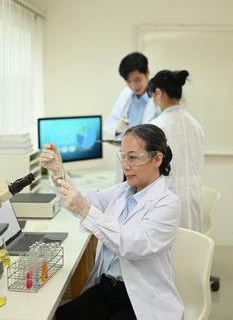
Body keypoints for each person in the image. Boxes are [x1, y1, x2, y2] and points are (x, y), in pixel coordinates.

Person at [40, 124, 184, 320]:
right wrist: (59, 173)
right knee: (64, 315)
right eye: (123, 156)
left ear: (157, 159)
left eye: (133, 157)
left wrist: (85, 210)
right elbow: (90, 199)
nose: (125, 165)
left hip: (141, 298)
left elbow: (133, 244)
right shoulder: (124, 190)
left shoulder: (168, 204)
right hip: (108, 288)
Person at [148, 69, 205, 232]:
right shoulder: (196, 125)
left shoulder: (158, 126)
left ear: (158, 93)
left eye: (153, 96)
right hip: (193, 197)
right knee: (193, 247)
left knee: (170, 251)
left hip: (167, 198)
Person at [104, 52, 160, 139]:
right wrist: (118, 129)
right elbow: (111, 121)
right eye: (129, 81)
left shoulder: (158, 96)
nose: (134, 86)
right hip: (126, 150)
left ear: (147, 72)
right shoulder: (125, 93)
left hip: (148, 150)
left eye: (137, 80)